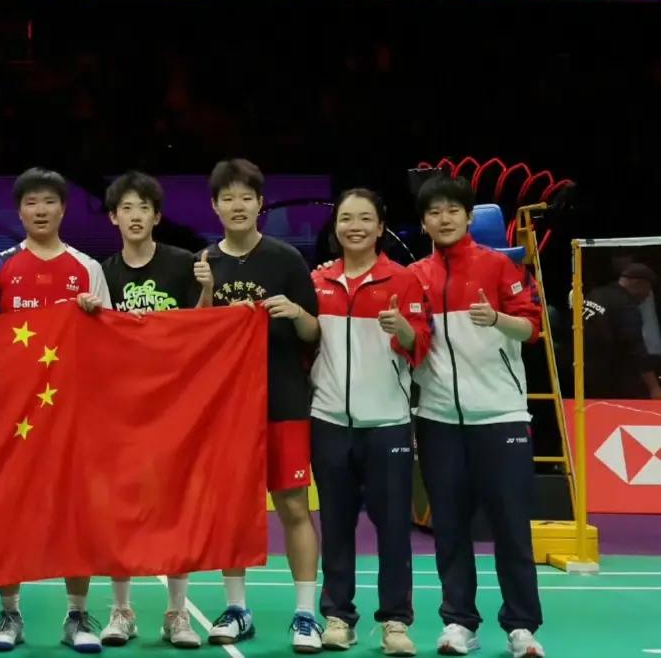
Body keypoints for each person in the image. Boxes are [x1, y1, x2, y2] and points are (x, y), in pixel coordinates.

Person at [408, 175, 546, 658]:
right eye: (434, 212)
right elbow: (412, 343)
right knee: (448, 527)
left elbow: (532, 327)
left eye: (453, 210)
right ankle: (458, 622)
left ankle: (522, 627)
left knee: (511, 527)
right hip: (438, 420)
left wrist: (497, 319)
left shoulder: (501, 266)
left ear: (468, 216)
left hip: (501, 416)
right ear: (423, 222)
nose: (444, 218)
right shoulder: (415, 275)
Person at [0, 167, 110, 654]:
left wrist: (97, 316)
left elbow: (111, 340)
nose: (40, 210)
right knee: (9, 512)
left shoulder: (86, 268)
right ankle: (9, 614)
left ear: (63, 209)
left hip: (73, 412)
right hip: (13, 414)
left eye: (49, 201)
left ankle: (77, 616)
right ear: (19, 211)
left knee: (76, 515)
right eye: (31, 202)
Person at [197, 158, 323, 654]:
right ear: (215, 206)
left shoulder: (286, 259)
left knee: (293, 505)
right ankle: (237, 609)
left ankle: (306, 614)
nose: (237, 205)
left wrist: (295, 311)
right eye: (227, 198)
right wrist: (209, 299)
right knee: (234, 508)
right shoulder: (205, 263)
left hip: (284, 400)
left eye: (245, 197)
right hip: (228, 409)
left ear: (260, 204)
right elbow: (191, 336)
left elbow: (314, 332)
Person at [309, 189, 430, 656]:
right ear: (336, 226)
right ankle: (339, 616)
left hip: (387, 424)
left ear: (380, 227)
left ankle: (396, 621)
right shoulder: (318, 280)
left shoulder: (404, 279)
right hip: (329, 421)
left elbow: (421, 345)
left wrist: (402, 329)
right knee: (336, 525)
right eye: (346, 218)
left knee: (394, 528)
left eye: (365, 219)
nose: (354, 226)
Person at [95, 170, 207, 650]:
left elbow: (204, 330)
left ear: (157, 216)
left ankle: (177, 613)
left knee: (175, 508)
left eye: (144, 207)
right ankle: (121, 610)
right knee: (120, 509)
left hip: (175, 407)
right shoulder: (103, 273)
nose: (136, 216)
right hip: (121, 409)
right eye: (127, 208)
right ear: (113, 217)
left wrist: (206, 291)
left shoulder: (184, 264)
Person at [582, 262, 661, 399]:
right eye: (648, 289)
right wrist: (654, 387)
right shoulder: (626, 305)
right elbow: (636, 349)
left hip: (577, 373)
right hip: (606, 378)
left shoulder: (593, 294)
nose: (648, 295)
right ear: (638, 283)